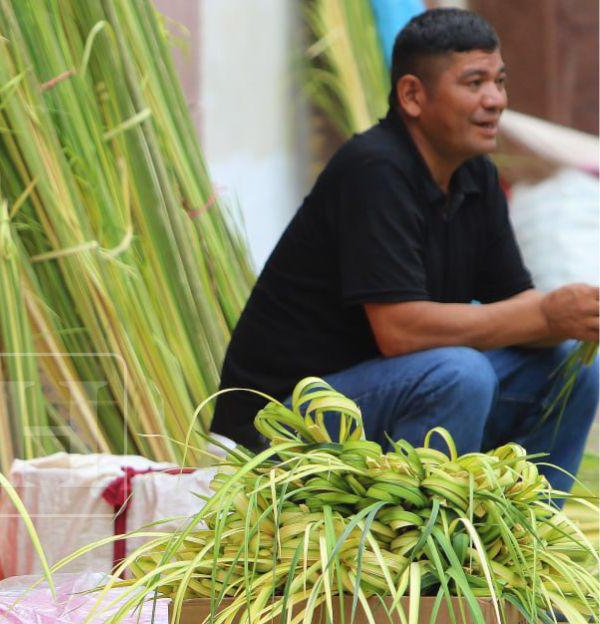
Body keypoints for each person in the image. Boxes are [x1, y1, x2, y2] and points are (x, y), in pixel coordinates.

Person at [211, 8, 598, 494]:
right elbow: (399, 332)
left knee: (573, 364)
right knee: (459, 374)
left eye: (499, 81)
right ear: (413, 95)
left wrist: (575, 315)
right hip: (280, 424)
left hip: (382, 394)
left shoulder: (474, 173)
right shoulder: (374, 169)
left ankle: (527, 542)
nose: (495, 100)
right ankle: (420, 550)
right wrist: (544, 314)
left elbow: (516, 308)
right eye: (474, 82)